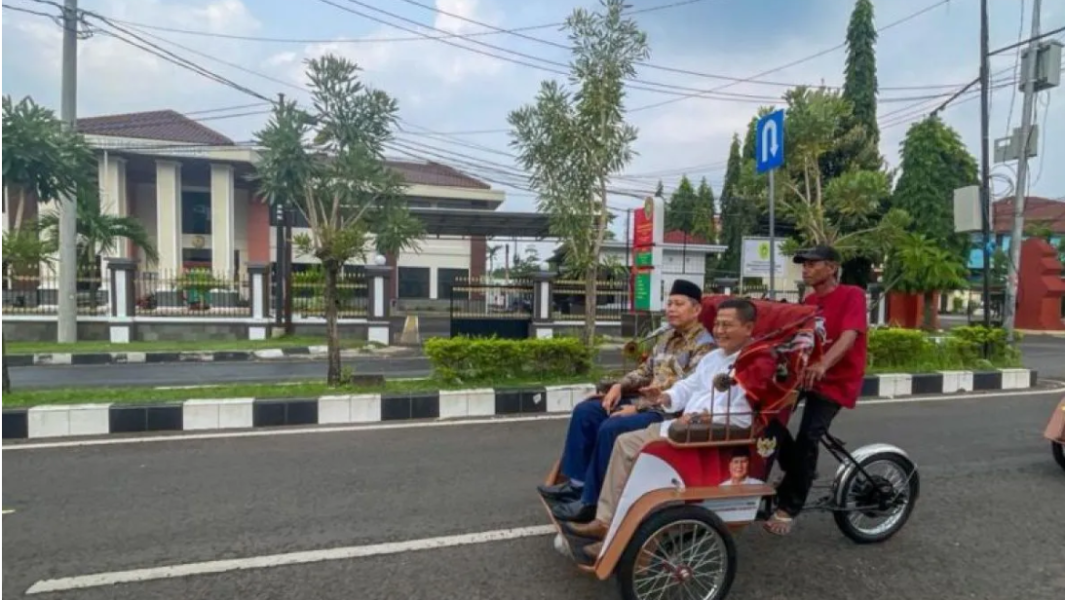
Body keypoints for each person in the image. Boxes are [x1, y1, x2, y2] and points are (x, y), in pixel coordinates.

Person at [564, 298, 767, 552]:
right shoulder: (713, 356)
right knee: (622, 441)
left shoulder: (755, 362)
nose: (719, 331)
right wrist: (664, 397)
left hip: (702, 432)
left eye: (727, 325)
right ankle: (603, 519)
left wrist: (697, 417)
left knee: (623, 437)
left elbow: (743, 413)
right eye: (717, 324)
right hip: (680, 423)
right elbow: (688, 386)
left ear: (748, 328)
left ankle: (622, 535)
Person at [541, 279, 714, 524]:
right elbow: (645, 372)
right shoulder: (666, 338)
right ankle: (577, 485)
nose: (671, 309)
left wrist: (637, 407)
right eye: (669, 303)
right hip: (642, 400)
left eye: (679, 304)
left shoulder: (705, 347)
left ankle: (591, 503)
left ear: (696, 310)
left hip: (667, 412)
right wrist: (618, 386)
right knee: (587, 410)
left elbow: (687, 393)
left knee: (612, 427)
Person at [764, 244, 868, 536]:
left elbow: (849, 335)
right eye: (804, 265)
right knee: (768, 417)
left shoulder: (852, 295)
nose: (805, 269)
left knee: (809, 436)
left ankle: (790, 505)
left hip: (837, 379)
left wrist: (823, 364)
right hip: (805, 376)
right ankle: (798, 470)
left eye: (812, 264)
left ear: (831, 267)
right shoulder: (809, 300)